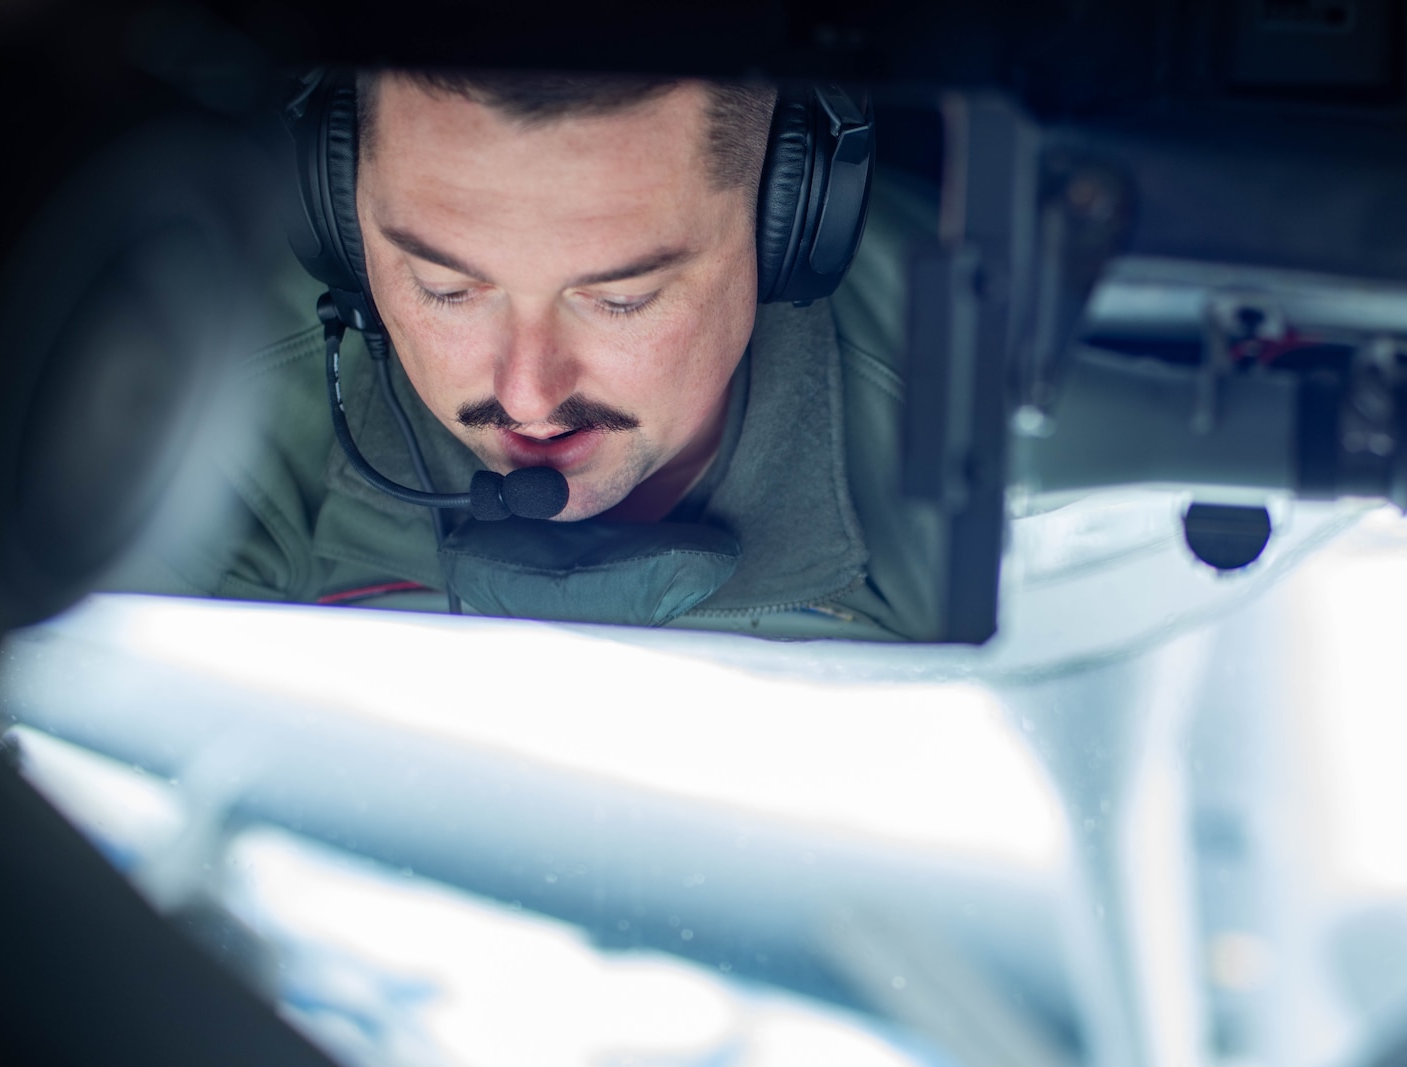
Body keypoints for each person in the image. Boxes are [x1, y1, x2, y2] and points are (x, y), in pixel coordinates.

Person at [146, 69, 940, 640]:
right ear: (338, 227)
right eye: (445, 287)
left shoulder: (1000, 456)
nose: (526, 394)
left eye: (621, 298)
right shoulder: (186, 410)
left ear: (793, 224)